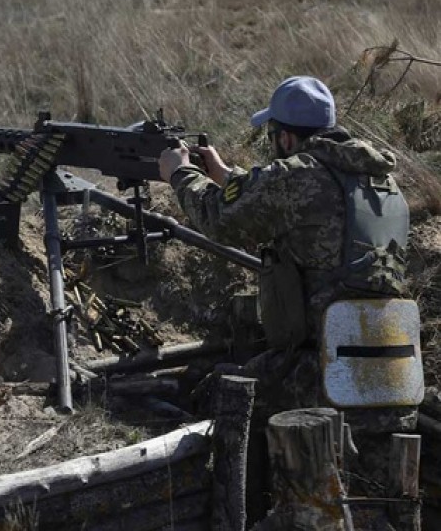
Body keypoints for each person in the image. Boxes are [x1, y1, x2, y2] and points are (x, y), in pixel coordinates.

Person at [157, 76, 421, 526]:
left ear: (284, 136)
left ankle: (250, 513)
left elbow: (220, 219)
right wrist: (224, 175)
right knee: (381, 505)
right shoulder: (380, 181)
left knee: (220, 391)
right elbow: (294, 202)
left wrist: (180, 173)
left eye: (272, 137)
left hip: (320, 371)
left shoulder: (295, 175)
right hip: (391, 375)